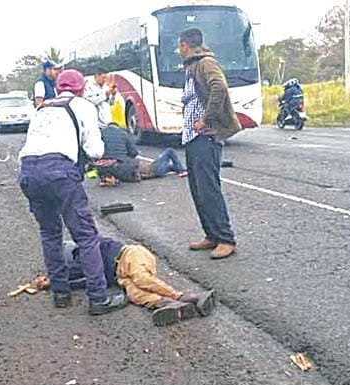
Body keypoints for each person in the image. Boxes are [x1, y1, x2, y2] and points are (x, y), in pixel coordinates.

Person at [18, 69, 127, 315]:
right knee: (86, 236)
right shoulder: (83, 106)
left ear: (58, 88)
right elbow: (96, 150)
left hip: (29, 172)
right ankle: (98, 298)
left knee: (50, 232)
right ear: (80, 89)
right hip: (59, 172)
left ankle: (60, 293)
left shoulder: (42, 108)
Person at [179, 28, 241, 260]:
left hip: (206, 136)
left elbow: (219, 87)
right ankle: (212, 234)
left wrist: (207, 119)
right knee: (198, 190)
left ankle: (226, 238)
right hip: (193, 138)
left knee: (209, 190)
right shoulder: (191, 66)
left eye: (180, 45)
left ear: (184, 45)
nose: (179, 49)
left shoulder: (206, 63)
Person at [59, 237, 216, 326]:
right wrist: (58, 283)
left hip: (130, 255)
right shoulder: (86, 269)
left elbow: (89, 239)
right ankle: (168, 304)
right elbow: (86, 281)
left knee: (141, 278)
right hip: (120, 275)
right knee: (134, 293)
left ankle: (182, 296)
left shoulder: (94, 245)